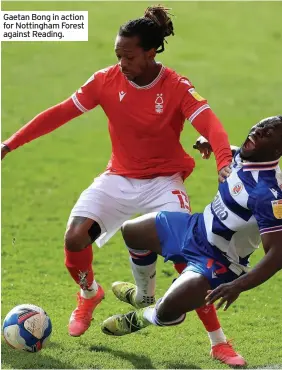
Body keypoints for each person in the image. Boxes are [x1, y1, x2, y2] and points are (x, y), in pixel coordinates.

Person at [1, 5, 240, 363]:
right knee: (74, 237)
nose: (121, 62)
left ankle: (218, 341)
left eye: (128, 56)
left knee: (188, 260)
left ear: (151, 52)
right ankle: (89, 294)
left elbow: (212, 125)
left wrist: (223, 162)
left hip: (164, 182)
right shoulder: (105, 81)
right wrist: (8, 144)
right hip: (119, 177)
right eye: (117, 54)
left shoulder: (176, 86)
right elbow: (59, 112)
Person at [101, 116, 282, 366]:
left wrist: (239, 285)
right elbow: (235, 155)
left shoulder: (268, 194)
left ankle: (145, 315)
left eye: (269, 133)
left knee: (169, 310)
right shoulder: (246, 156)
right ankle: (144, 296)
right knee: (132, 231)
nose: (259, 131)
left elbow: (277, 255)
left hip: (219, 262)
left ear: (276, 150)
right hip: (194, 228)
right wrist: (210, 143)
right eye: (260, 126)